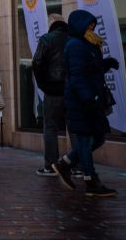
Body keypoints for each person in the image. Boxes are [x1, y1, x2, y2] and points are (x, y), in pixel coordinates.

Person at [52, 10, 120, 197]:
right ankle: (91, 181)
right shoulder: (75, 45)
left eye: (92, 24)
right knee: (84, 139)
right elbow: (77, 75)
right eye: (88, 25)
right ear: (79, 25)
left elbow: (91, 69)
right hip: (81, 101)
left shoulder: (90, 43)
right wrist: (87, 98)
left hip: (92, 98)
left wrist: (106, 64)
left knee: (98, 137)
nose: (91, 27)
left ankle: (64, 164)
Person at [32, 14, 78, 177]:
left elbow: (36, 63)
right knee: (74, 128)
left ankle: (51, 166)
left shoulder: (46, 39)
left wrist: (44, 85)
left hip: (52, 91)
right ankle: (77, 166)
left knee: (50, 127)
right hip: (73, 91)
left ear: (51, 24)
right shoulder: (74, 38)